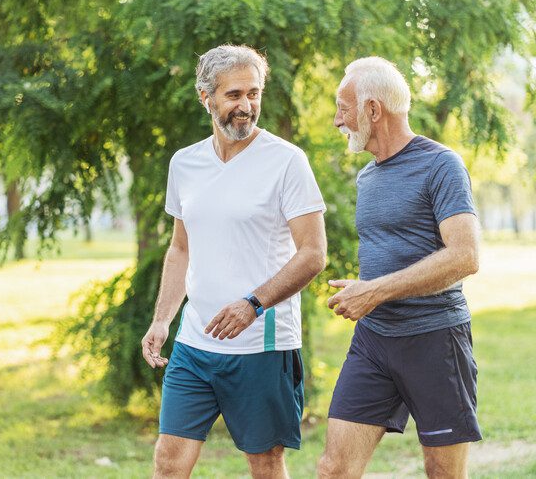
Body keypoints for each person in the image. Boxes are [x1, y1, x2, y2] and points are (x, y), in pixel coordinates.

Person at [141, 44, 327, 479]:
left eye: (254, 94)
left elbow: (314, 253)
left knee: (264, 463)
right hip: (195, 344)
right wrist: (162, 319)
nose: (246, 107)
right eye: (234, 95)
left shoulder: (286, 161)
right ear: (205, 97)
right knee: (168, 460)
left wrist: (253, 303)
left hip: (261, 346)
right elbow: (181, 249)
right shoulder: (185, 164)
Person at [318, 56, 482, 479]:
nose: (338, 121)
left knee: (442, 473)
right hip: (374, 341)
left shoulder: (441, 165)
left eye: (343, 107)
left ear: (373, 109)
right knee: (334, 469)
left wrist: (374, 290)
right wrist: (369, 293)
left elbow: (465, 256)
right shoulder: (367, 178)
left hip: (434, 338)